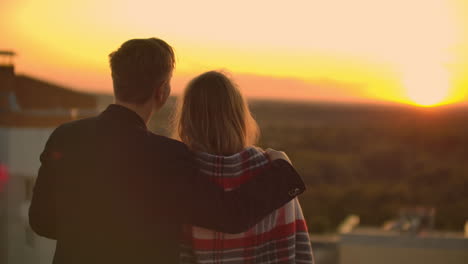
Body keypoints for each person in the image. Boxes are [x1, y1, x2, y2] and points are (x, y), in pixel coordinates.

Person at [28, 38, 306, 264]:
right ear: (162, 91)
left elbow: (41, 222)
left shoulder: (65, 136)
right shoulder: (167, 156)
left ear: (115, 81)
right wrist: (281, 170)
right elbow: (230, 215)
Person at [174, 71, 314, 264]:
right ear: (239, 116)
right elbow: (300, 249)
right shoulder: (275, 171)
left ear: (187, 120)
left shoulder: (180, 176)